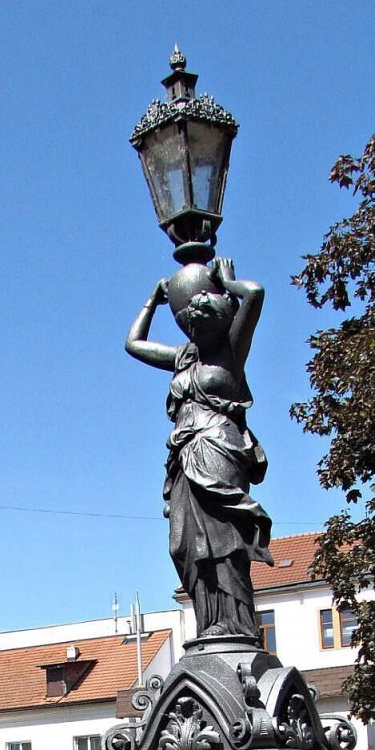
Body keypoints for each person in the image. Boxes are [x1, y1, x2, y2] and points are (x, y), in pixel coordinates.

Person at [126, 257, 273, 641]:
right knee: (184, 545)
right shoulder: (184, 358)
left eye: (203, 319)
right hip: (183, 455)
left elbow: (255, 294)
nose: (195, 327)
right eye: (190, 321)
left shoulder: (231, 352)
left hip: (219, 447)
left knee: (225, 541)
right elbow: (133, 344)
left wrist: (228, 281)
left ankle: (238, 629)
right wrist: (154, 299)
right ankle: (209, 626)